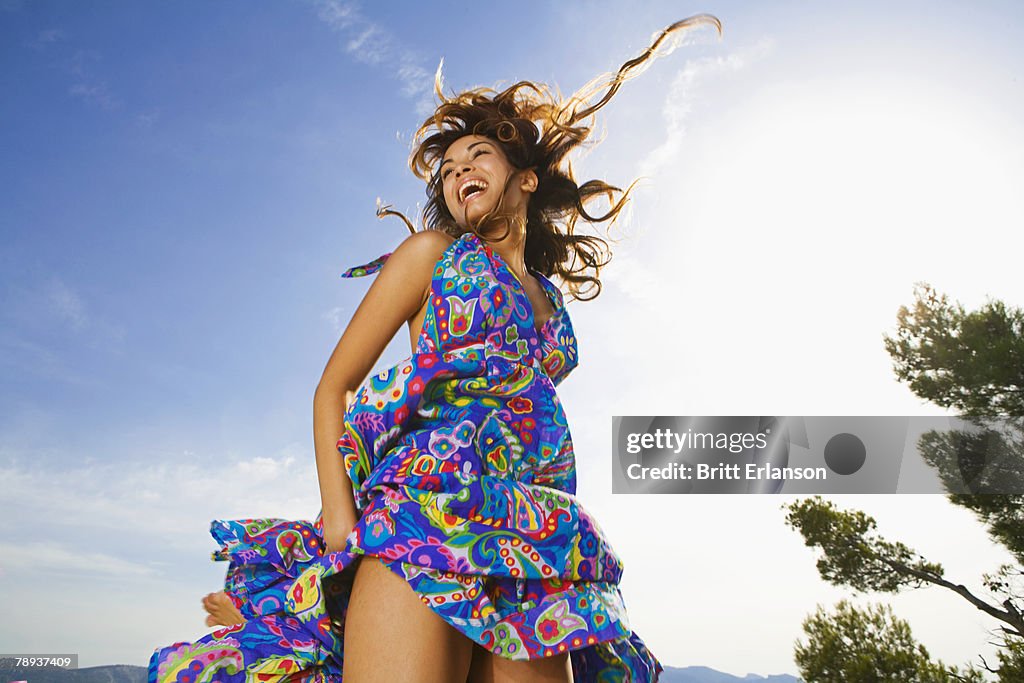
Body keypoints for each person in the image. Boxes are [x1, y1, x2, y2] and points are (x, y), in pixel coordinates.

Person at [149, 14, 721, 683]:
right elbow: (332, 386)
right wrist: (340, 517)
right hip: (423, 516)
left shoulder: (551, 302)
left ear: (526, 179)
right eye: (449, 169)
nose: (459, 171)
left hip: (531, 535)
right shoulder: (432, 256)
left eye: (478, 156)